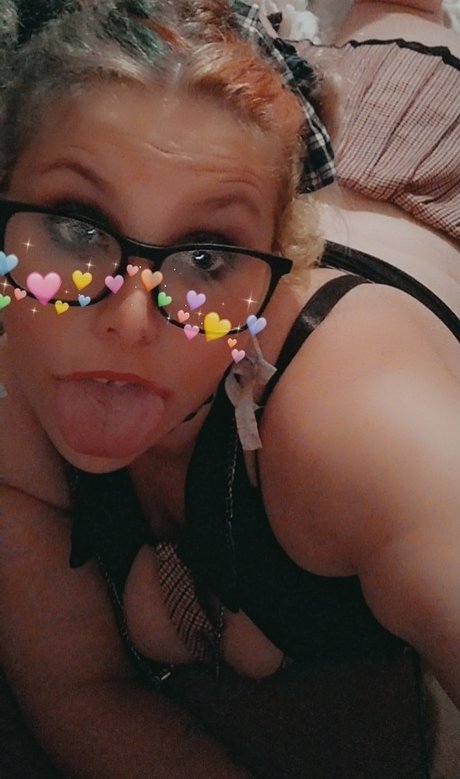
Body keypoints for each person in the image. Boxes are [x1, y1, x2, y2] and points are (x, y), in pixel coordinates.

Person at [0, 1, 459, 778]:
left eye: (207, 256)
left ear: (279, 262)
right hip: (297, 180)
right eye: (76, 226)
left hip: (424, 143)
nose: (130, 323)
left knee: (402, 15)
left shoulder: (356, 423)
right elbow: (80, 693)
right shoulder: (14, 393)